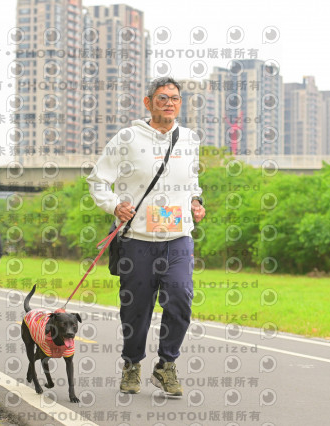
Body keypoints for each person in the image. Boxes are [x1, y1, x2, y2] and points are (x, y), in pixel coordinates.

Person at [87, 77, 206, 396]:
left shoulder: (189, 139)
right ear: (148, 102)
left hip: (178, 238)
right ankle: (132, 364)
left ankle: (166, 365)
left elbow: (192, 182)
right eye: (162, 98)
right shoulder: (127, 138)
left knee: (180, 297)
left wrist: (196, 201)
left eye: (175, 98)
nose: (169, 103)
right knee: (136, 309)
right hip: (137, 240)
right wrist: (114, 205)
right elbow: (98, 181)